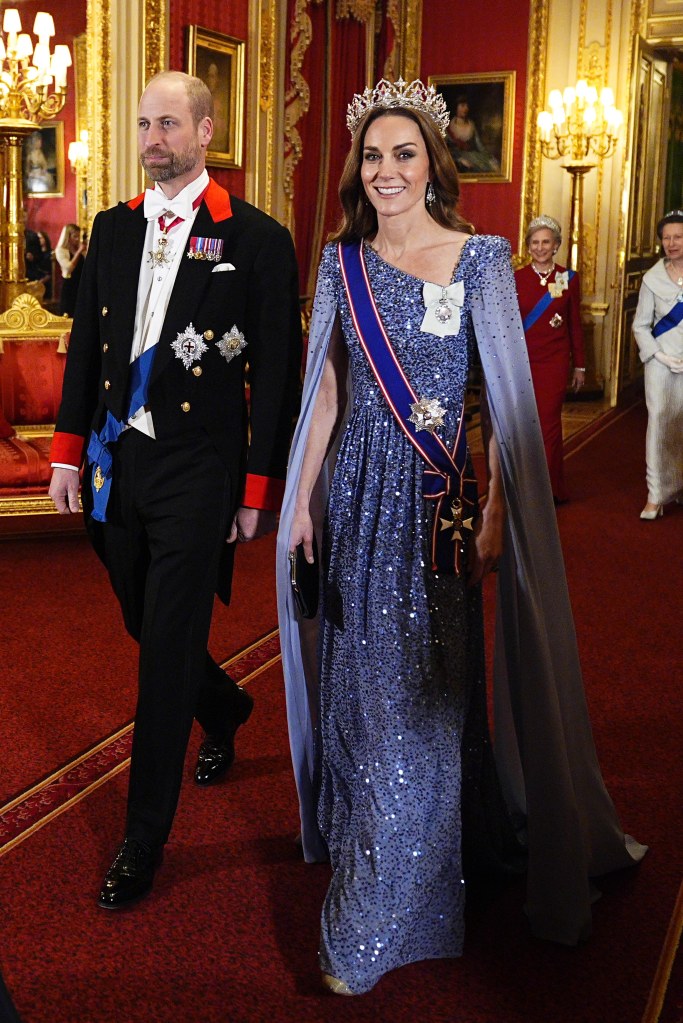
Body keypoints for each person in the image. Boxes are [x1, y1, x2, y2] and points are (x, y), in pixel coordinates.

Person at [276, 78, 645, 996]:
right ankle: (383, 866)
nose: (387, 170)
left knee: (429, 690)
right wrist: (298, 502)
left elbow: (505, 408)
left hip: (434, 503)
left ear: (433, 164)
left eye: (404, 154)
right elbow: (324, 393)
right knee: (364, 686)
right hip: (355, 495)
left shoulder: (480, 258)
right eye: (372, 156)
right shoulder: (338, 262)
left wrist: (492, 511)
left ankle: (403, 894)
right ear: (357, 171)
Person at [49, 71, 301, 910]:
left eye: (169, 123)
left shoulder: (256, 238)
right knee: (138, 614)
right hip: (120, 461)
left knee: (162, 652)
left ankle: (141, 837)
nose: (153, 138)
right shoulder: (113, 228)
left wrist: (257, 486)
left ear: (205, 131)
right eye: (144, 123)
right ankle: (225, 705)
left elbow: (276, 374)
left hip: (199, 468)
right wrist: (65, 451)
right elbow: (88, 341)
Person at [515, 215, 585, 502]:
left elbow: (575, 324)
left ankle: (549, 490)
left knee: (548, 424)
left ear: (556, 245)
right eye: (535, 242)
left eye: (546, 242)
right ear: (528, 245)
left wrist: (579, 364)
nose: (540, 248)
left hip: (554, 362)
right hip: (523, 360)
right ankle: (524, 488)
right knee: (521, 425)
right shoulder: (516, 278)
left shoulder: (568, 278)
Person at [632, 209, 683, 518]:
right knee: (660, 422)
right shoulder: (652, 279)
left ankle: (676, 485)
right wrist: (659, 355)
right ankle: (655, 495)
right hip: (661, 363)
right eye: (666, 238)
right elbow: (640, 325)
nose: (672, 243)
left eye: (678, 237)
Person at [446, 95, 499, 174]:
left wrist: (490, 158)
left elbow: (480, 146)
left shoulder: (471, 125)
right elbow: (445, 149)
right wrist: (459, 159)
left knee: (491, 166)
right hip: (455, 159)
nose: (466, 109)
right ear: (456, 107)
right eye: (463, 106)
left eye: (467, 106)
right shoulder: (449, 127)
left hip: (473, 156)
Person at [55, 224, 88, 317]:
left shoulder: (80, 249)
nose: (77, 239)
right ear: (68, 237)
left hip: (81, 284)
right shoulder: (61, 250)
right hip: (70, 284)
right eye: (75, 236)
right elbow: (68, 268)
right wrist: (78, 252)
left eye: (78, 236)